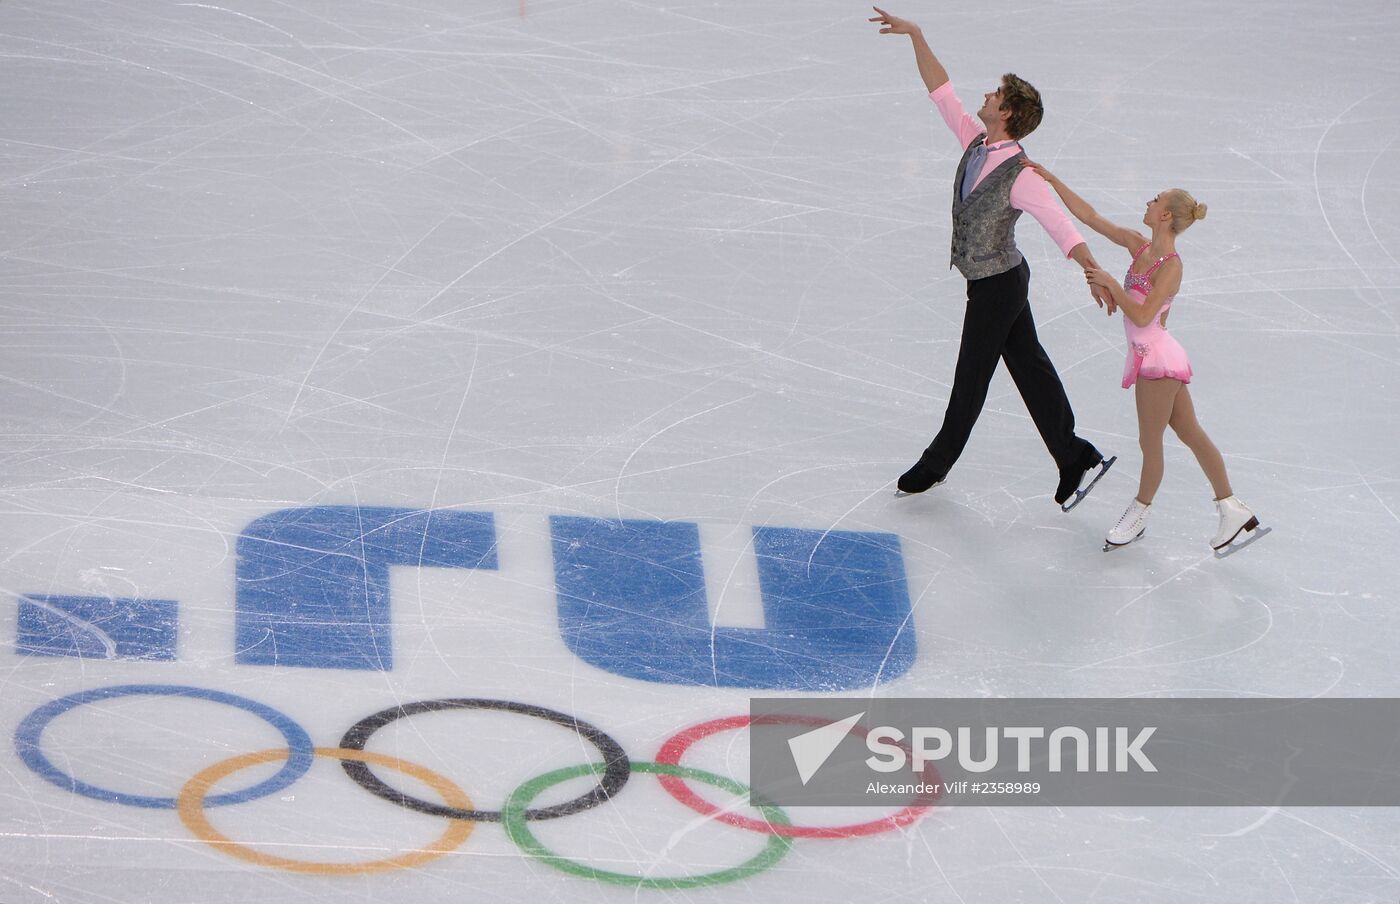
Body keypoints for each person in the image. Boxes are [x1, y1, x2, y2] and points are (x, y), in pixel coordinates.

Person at [869, 7, 1114, 511]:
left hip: (1001, 284)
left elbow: (1059, 224)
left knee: (972, 373)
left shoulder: (1022, 174)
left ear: (1008, 113)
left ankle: (935, 465)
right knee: (1029, 366)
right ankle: (1075, 457)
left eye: (996, 94)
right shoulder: (976, 143)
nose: (987, 95)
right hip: (992, 280)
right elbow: (942, 92)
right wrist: (917, 35)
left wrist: (1092, 271)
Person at [1025, 160, 1264, 553]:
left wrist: (1110, 284)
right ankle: (1232, 508)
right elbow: (1090, 216)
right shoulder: (1139, 246)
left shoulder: (1171, 268)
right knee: (1192, 435)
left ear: (1166, 215)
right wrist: (1052, 180)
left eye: (1155, 200)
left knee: (1149, 442)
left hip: (1157, 361)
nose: (1148, 202)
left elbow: (1140, 314)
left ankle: (1139, 513)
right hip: (1150, 355)